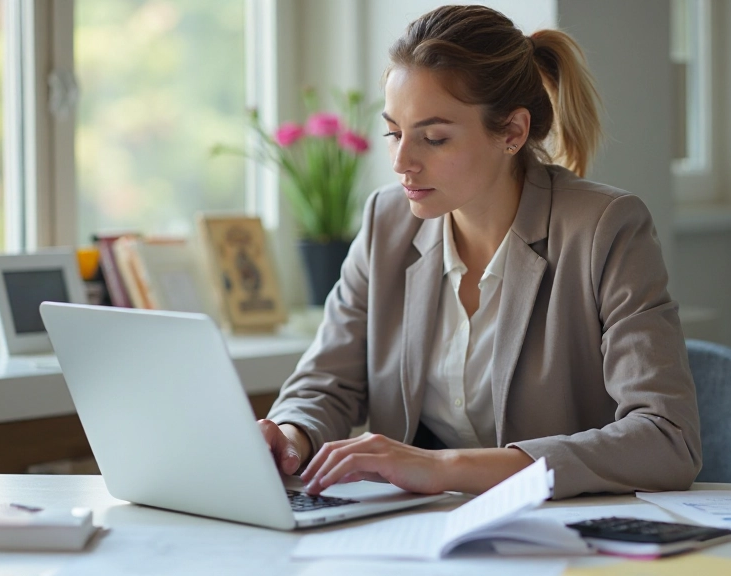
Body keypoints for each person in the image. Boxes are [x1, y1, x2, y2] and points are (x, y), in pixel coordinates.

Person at [259, 4, 701, 500]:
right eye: (393, 132)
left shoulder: (605, 228)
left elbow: (668, 439)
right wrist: (290, 437)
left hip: (567, 533)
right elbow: (326, 382)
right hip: (424, 533)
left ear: (511, 132)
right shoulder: (387, 222)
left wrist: (445, 468)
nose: (403, 160)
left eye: (434, 137)